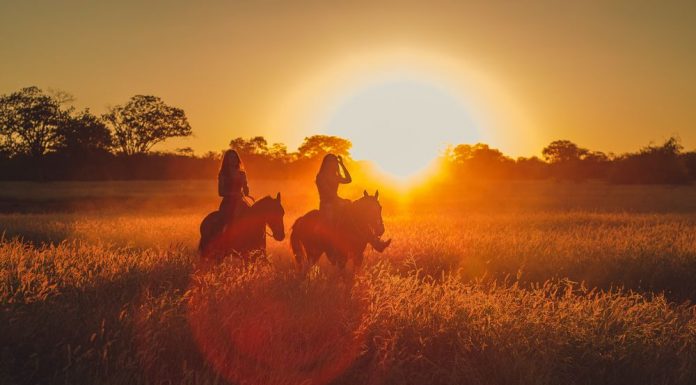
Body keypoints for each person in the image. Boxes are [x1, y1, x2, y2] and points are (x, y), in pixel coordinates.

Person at [315, 154, 389, 251]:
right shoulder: (321, 177)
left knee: (357, 217)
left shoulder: (335, 176)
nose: (333, 164)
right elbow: (328, 194)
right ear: (326, 163)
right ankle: (331, 246)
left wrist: (342, 164)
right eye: (331, 162)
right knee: (330, 224)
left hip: (337, 202)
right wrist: (341, 200)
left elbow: (348, 179)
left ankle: (376, 242)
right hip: (326, 204)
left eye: (334, 162)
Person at [218, 149, 250, 229]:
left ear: (237, 159)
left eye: (235, 157)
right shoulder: (223, 174)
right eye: (231, 158)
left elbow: (246, 192)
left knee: (252, 216)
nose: (233, 160)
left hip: (240, 202)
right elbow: (220, 192)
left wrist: (245, 185)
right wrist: (234, 194)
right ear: (227, 160)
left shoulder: (242, 173)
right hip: (227, 203)